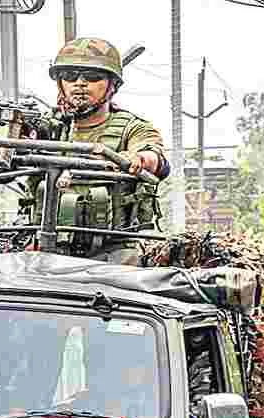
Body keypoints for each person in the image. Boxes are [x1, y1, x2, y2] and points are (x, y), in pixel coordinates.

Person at [43, 37, 171, 265]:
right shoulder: (48, 128)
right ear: (60, 83)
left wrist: (140, 158)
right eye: (70, 76)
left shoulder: (133, 128)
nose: (80, 83)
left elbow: (154, 156)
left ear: (113, 85)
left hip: (114, 251)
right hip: (47, 247)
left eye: (92, 77)